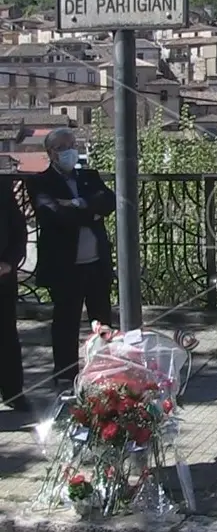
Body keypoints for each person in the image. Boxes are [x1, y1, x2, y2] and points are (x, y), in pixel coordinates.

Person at [27, 128, 116, 387]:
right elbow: (52, 214)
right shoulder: (40, 182)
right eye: (64, 147)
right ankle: (66, 376)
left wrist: (75, 205)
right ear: (51, 153)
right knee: (66, 324)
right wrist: (90, 210)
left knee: (103, 322)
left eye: (72, 144)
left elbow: (108, 202)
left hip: (96, 263)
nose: (70, 150)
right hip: (65, 267)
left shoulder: (89, 176)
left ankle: (105, 372)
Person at [0, 178, 30, 412]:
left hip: (2, 275)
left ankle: (13, 393)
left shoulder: (2, 188)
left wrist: (9, 262)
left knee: (6, 335)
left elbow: (19, 230)